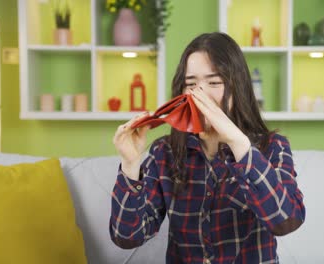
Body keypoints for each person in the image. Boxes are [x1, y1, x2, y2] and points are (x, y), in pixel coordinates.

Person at [110, 32, 305, 264]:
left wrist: (238, 142)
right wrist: (131, 165)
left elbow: (286, 221)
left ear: (238, 86)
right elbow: (127, 237)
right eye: (191, 84)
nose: (199, 95)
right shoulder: (164, 152)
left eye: (214, 82)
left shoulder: (272, 146)